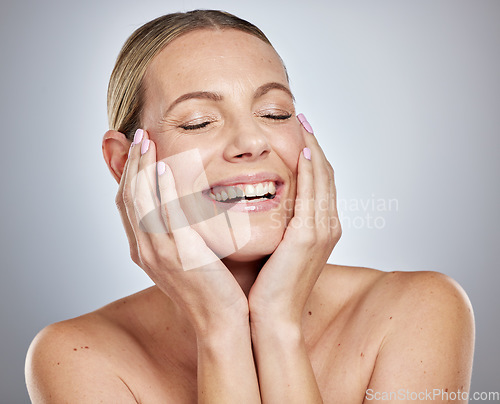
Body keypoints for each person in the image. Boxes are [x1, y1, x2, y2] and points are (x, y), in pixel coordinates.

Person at [25, 10, 474, 403]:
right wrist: (221, 327)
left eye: (275, 113)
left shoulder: (417, 310)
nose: (252, 142)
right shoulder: (74, 355)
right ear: (125, 163)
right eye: (199, 121)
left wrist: (278, 323)